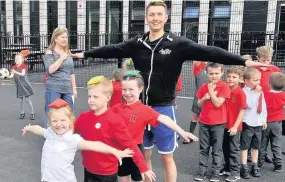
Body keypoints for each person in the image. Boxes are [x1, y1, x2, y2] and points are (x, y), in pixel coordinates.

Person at [71, 1, 270, 181]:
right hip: (137, 107)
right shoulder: (137, 43)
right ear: (146, 18)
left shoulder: (177, 44)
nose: (155, 18)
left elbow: (209, 51)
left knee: (167, 157)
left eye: (159, 14)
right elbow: (111, 49)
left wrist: (243, 61)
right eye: (152, 15)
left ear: (165, 18)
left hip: (163, 107)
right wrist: (84, 53)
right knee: (142, 155)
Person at [111, 70, 198, 182]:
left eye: (131, 89)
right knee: (123, 179)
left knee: (139, 179)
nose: (127, 93)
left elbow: (164, 119)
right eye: (124, 89)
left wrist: (182, 131)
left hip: (136, 150)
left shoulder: (144, 110)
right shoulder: (116, 108)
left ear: (141, 88)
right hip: (120, 149)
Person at [22, 98, 134, 182]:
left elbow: (96, 145)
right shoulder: (50, 132)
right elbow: (39, 129)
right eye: (54, 121)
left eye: (63, 120)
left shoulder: (72, 139)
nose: (58, 124)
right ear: (50, 122)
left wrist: (115, 151)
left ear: (71, 121)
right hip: (47, 179)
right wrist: (29, 128)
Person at [74, 76, 155, 182]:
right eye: (89, 96)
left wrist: (143, 168)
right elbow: (71, 131)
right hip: (88, 169)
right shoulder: (84, 117)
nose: (91, 100)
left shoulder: (114, 120)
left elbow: (131, 144)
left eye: (95, 97)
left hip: (107, 173)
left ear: (108, 97)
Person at [194, 63, 231, 182]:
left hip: (219, 123)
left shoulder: (224, 86)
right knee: (203, 148)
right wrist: (204, 98)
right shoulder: (203, 86)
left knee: (217, 149)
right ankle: (202, 172)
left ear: (222, 73)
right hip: (204, 122)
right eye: (211, 73)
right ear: (207, 73)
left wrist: (210, 91)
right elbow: (199, 103)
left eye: (216, 73)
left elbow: (217, 103)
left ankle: (216, 173)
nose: (214, 76)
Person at [43, 27, 77, 127]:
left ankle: (67, 138)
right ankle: (49, 139)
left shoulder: (68, 52)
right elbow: (50, 70)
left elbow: (71, 72)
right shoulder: (50, 52)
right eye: (62, 37)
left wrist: (74, 88)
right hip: (54, 88)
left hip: (67, 89)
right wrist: (61, 58)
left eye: (66, 37)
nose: (64, 39)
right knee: (52, 114)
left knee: (68, 114)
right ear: (55, 39)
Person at [240, 68, 267, 179]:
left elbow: (263, 106)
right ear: (246, 81)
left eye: (259, 80)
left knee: (256, 146)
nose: (258, 82)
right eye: (255, 80)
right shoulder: (244, 92)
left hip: (258, 123)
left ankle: (254, 165)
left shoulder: (260, 91)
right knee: (245, 146)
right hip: (248, 123)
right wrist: (256, 93)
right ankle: (243, 166)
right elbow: (249, 105)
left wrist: (264, 119)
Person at [221, 67, 247, 182]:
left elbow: (242, 110)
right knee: (225, 148)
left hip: (234, 126)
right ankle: (227, 168)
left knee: (234, 149)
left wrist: (235, 126)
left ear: (240, 79)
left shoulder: (240, 93)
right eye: (229, 76)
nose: (230, 79)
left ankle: (235, 172)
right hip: (224, 125)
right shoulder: (225, 90)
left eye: (234, 77)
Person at [258, 72, 285, 172]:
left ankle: (259, 163)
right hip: (277, 123)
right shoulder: (283, 95)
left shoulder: (265, 94)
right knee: (276, 144)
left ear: (270, 84)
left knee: (262, 144)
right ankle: (278, 164)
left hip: (265, 122)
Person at [183, 61, 208, 144]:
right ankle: (190, 137)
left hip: (209, 97)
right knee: (194, 117)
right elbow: (196, 61)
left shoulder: (211, 68)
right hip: (198, 97)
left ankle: (206, 139)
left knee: (206, 119)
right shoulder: (198, 69)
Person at [9, 50, 35, 120]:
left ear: (22, 60)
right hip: (19, 85)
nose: (16, 60)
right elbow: (11, 75)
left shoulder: (23, 66)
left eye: (18, 59)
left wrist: (15, 72)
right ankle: (22, 112)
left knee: (27, 99)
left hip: (25, 84)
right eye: (15, 59)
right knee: (20, 100)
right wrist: (7, 75)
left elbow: (23, 74)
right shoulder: (14, 67)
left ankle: (32, 113)